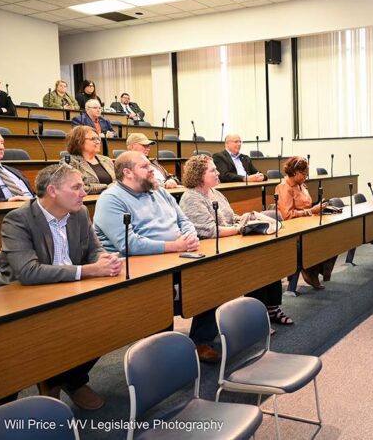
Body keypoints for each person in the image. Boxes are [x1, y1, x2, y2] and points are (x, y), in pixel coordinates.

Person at [0, 164, 122, 410]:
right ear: (53, 191)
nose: (83, 192)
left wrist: (103, 260)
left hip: (69, 287)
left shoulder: (78, 214)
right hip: (26, 295)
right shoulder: (17, 220)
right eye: (76, 187)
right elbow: (29, 272)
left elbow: (94, 248)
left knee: (111, 319)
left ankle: (69, 380)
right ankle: (56, 381)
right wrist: (88, 270)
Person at [93, 152, 219, 361]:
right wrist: (174, 245)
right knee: (160, 298)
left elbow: (184, 219)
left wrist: (189, 236)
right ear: (127, 172)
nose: (152, 169)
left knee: (209, 277)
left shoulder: (158, 191)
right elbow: (128, 244)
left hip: (174, 254)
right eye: (144, 166)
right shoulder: (111, 199)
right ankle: (161, 355)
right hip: (137, 264)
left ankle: (201, 341)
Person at [179, 155, 293, 330]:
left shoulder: (216, 192)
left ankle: (270, 309)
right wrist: (241, 227)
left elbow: (231, 218)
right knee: (255, 264)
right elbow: (210, 231)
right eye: (212, 170)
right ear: (199, 174)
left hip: (229, 240)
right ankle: (255, 317)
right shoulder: (191, 198)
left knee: (269, 254)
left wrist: (244, 218)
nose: (218, 172)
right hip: (211, 249)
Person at [276, 156, 335, 291]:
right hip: (294, 228)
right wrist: (310, 211)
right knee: (318, 238)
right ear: (295, 172)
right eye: (303, 174)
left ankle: (316, 270)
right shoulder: (284, 187)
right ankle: (309, 270)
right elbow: (288, 215)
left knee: (332, 234)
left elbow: (306, 206)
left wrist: (318, 208)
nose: (305, 177)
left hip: (307, 223)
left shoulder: (302, 185)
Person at [66, 126, 116, 194]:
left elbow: (118, 181)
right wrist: (106, 187)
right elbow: (75, 187)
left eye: (98, 139)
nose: (98, 142)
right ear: (79, 141)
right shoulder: (69, 162)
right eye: (93, 139)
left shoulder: (107, 160)